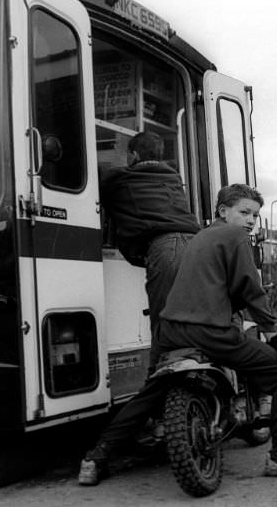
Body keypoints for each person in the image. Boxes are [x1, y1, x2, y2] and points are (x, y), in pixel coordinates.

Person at [157, 183, 277, 478]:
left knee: (151, 389)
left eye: (255, 216)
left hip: (171, 330)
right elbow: (252, 290)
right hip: (210, 331)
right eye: (245, 212)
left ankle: (99, 454)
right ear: (223, 210)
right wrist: (273, 334)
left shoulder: (200, 237)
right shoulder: (235, 236)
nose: (250, 220)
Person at [78, 131, 199, 486]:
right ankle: (178, 415)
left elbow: (90, 190)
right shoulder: (173, 179)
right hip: (196, 246)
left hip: (168, 250)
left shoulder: (121, 178)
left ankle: (105, 450)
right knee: (199, 333)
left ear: (132, 154)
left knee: (164, 350)